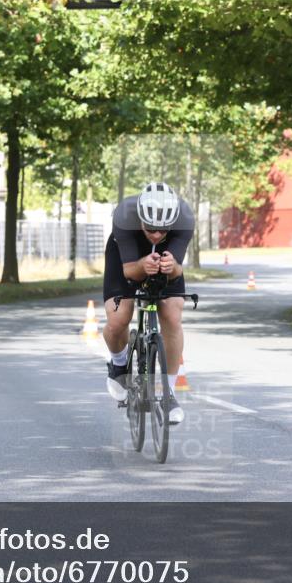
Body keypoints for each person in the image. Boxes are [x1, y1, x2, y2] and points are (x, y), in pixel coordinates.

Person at [103, 182, 194, 425]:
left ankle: (168, 393)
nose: (156, 235)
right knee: (119, 317)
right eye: (151, 228)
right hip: (125, 255)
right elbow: (130, 271)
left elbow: (176, 270)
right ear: (140, 218)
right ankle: (119, 364)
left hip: (165, 258)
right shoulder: (124, 215)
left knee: (173, 314)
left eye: (162, 231)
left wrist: (171, 267)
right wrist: (143, 266)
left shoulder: (185, 218)